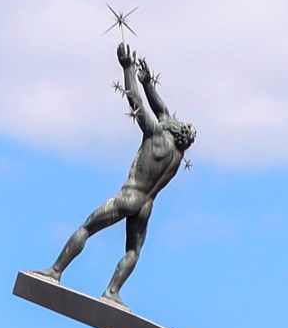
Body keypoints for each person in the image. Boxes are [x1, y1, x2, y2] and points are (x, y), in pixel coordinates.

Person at [41, 47, 195, 301]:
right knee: (133, 250)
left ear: (174, 129)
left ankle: (55, 271)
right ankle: (113, 292)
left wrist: (127, 69)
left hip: (129, 197)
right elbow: (162, 109)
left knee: (87, 228)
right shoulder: (177, 156)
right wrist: (148, 83)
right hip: (146, 206)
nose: (170, 117)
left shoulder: (156, 136)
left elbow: (136, 102)